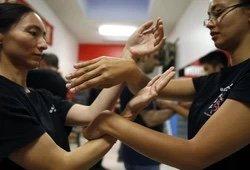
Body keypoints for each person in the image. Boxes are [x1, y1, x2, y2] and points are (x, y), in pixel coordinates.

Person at [67, 0, 250, 169]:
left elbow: (195, 155)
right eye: (209, 16)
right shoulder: (216, 80)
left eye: (219, 12)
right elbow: (148, 86)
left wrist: (110, 121)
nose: (210, 23)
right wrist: (128, 58)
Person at [0, 2, 170, 169]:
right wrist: (129, 113)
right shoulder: (3, 97)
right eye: (32, 33)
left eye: (43, 35)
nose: (44, 44)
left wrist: (129, 55)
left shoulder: (40, 96)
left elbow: (91, 114)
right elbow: (62, 165)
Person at [119, 51, 174, 170]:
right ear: (144, 56)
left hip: (137, 152)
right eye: (154, 58)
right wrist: (176, 108)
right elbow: (150, 119)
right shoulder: (135, 84)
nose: (157, 62)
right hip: (142, 156)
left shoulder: (137, 83)